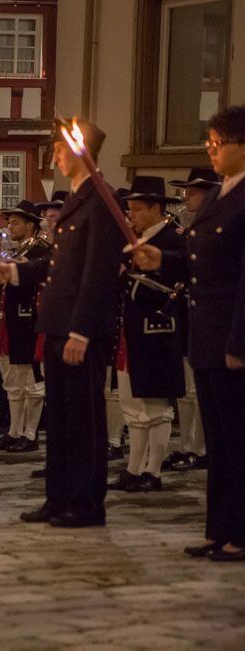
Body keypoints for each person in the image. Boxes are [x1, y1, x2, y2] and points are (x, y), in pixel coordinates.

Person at [0, 118, 125, 528]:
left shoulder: (101, 200)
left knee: (83, 420)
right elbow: (59, 264)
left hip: (79, 328)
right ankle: (58, 497)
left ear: (80, 150)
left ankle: (85, 503)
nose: (55, 156)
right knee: (62, 418)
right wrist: (14, 273)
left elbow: (97, 271)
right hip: (57, 322)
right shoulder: (75, 200)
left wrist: (82, 330)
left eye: (60, 149)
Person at [133, 105, 245, 561]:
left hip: (231, 340)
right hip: (204, 336)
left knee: (238, 441)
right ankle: (218, 529)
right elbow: (199, 262)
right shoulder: (219, 195)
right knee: (218, 444)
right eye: (210, 143)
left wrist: (240, 342)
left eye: (219, 144)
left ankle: (241, 532)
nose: (211, 151)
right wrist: (162, 260)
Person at [108, 176, 185, 493]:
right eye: (129, 209)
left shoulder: (173, 241)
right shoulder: (131, 241)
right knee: (133, 406)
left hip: (157, 331)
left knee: (155, 405)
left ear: (157, 207)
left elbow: (171, 290)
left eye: (137, 209)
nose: (132, 215)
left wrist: (125, 280)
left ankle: (152, 471)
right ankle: (134, 467)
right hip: (129, 332)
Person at [161, 168, 222, 472]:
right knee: (186, 391)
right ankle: (187, 445)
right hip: (186, 316)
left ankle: (201, 447)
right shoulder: (187, 227)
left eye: (194, 192)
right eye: (186, 191)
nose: (187, 197)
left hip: (210, 320)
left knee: (199, 392)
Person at [0, 200, 50, 453]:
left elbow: (30, 285)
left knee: (30, 382)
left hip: (28, 321)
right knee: (11, 380)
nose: (10, 226)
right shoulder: (16, 252)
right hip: (9, 320)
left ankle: (30, 433)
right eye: (9, 221)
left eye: (15, 222)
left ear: (31, 225)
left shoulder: (39, 251)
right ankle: (14, 430)